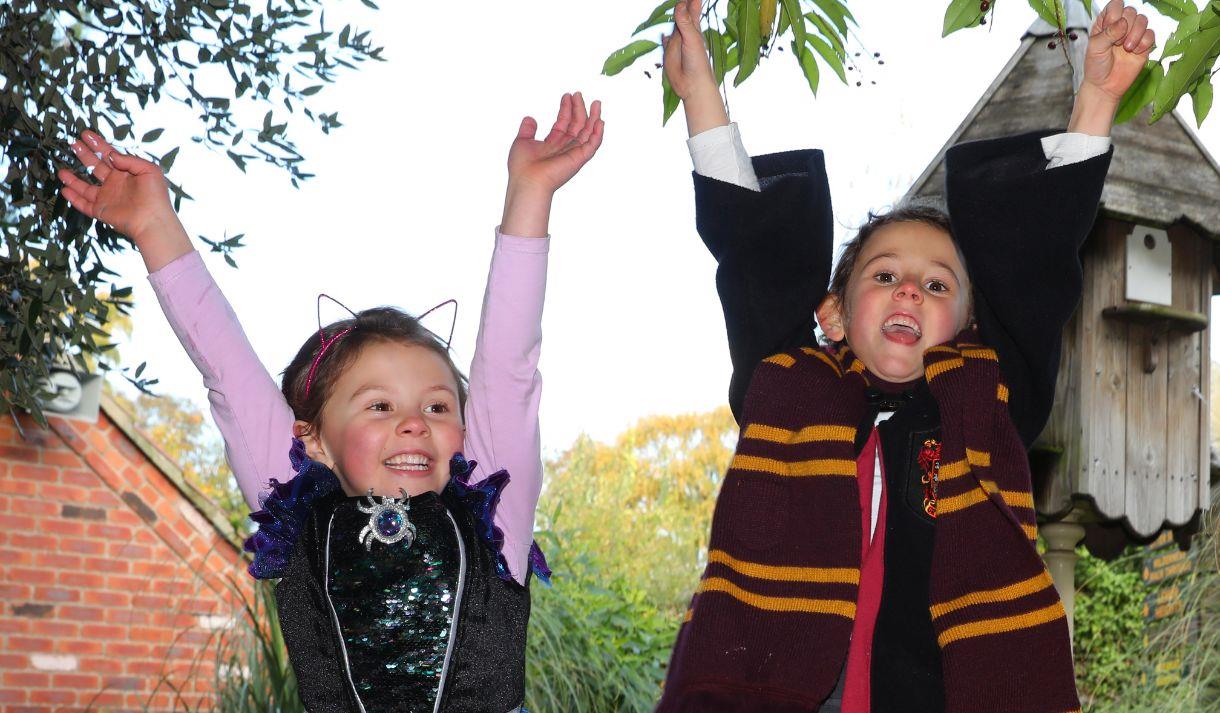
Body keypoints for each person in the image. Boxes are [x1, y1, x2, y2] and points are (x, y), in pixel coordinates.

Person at [656, 1, 1152, 710]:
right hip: (777, 686)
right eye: (884, 275)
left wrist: (1098, 98)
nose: (910, 290)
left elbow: (1038, 257)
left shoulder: (987, 399)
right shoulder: (794, 387)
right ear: (835, 308)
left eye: (937, 283)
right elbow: (754, 255)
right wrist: (701, 93)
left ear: (974, 324)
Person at [58, 92, 604, 712]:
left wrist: (529, 197)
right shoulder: (293, 512)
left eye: (437, 407)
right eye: (378, 407)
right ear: (310, 439)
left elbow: (509, 369)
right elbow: (227, 372)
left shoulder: (495, 516)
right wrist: (156, 227)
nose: (412, 425)